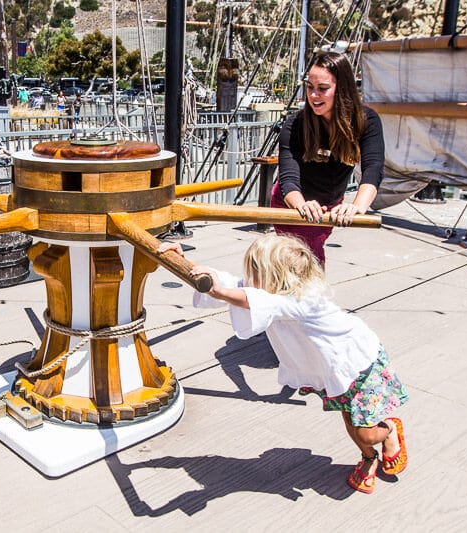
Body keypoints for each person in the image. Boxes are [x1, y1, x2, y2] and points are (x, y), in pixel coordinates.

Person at [159, 233, 409, 494]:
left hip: (358, 365)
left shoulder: (305, 300)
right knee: (352, 422)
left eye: (255, 270)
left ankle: (389, 428)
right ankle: (369, 457)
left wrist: (219, 291)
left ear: (276, 276)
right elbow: (230, 283)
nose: (249, 276)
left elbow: (248, 298)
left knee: (366, 432)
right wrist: (182, 262)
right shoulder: (273, 290)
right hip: (331, 371)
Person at [273, 52, 385, 267]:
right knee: (306, 264)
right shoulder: (296, 124)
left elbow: (374, 168)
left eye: (322, 89)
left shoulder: (366, 121)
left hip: (330, 206)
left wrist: (357, 206)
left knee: (300, 267)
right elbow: (288, 178)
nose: (314, 95)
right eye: (309, 87)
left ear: (342, 89)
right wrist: (302, 205)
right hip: (291, 205)